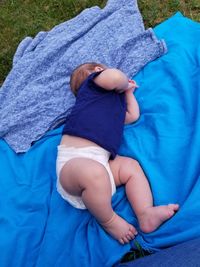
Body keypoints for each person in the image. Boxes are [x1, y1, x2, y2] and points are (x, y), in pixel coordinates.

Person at [56, 62, 179, 245]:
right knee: (93, 173)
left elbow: (131, 116)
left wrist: (128, 93)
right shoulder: (92, 87)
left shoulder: (111, 106)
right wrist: (121, 82)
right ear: (98, 72)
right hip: (73, 166)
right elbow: (114, 77)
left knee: (130, 167)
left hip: (103, 169)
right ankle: (109, 221)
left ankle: (145, 213)